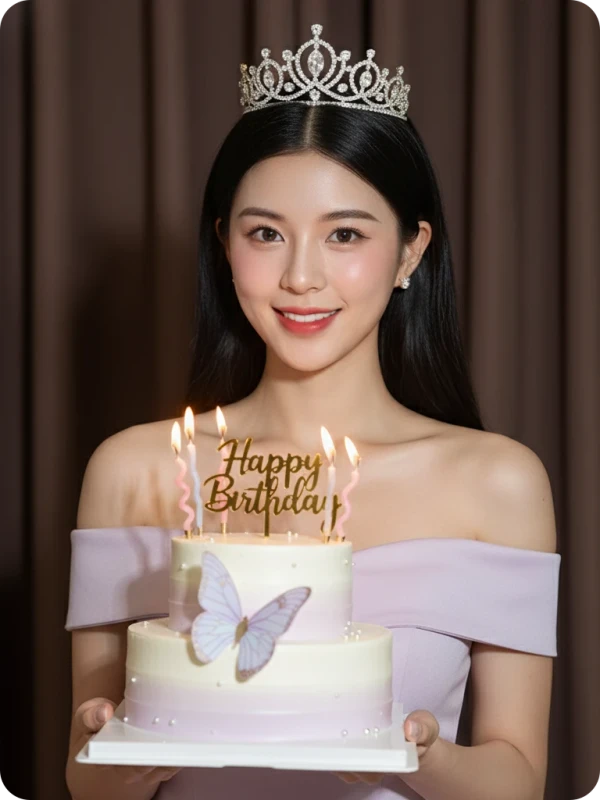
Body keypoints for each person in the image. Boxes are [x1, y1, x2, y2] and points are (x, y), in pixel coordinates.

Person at [65, 23, 561, 800]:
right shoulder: (133, 470)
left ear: (409, 252)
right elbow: (85, 778)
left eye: (345, 235)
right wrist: (121, 757)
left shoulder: (497, 482)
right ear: (225, 246)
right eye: (266, 233)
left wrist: (421, 755)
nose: (301, 275)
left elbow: (520, 779)